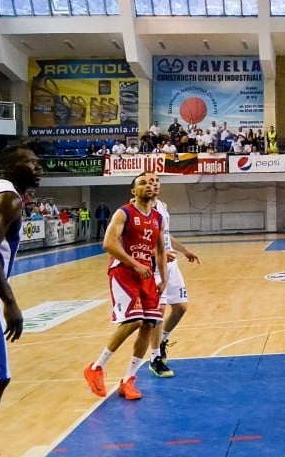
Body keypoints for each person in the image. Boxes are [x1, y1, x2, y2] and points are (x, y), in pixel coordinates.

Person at [83, 172, 167, 401]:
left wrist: (164, 278)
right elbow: (108, 243)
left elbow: (160, 251)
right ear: (133, 191)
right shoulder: (124, 213)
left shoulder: (158, 217)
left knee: (150, 323)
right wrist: (136, 264)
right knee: (134, 320)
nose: (149, 185)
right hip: (123, 271)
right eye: (142, 183)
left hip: (146, 275)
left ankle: (128, 380)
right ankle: (96, 368)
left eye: (152, 182)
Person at [0, 146, 41, 440]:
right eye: (31, 162)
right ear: (9, 167)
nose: (38, 166)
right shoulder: (8, 198)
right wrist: (10, 302)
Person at [148, 195, 200, 378]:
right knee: (158, 310)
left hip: (170, 263)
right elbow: (134, 240)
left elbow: (166, 235)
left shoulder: (162, 205)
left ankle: (161, 340)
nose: (153, 184)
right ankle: (154, 358)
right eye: (148, 181)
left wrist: (184, 251)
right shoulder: (136, 210)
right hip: (153, 265)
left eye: (155, 181)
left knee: (180, 307)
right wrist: (157, 254)